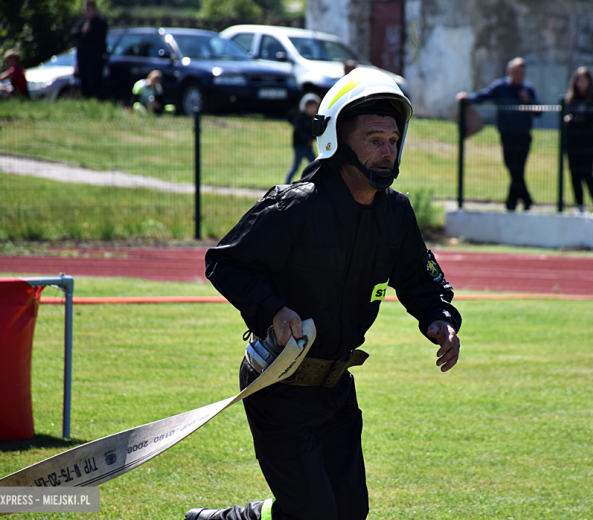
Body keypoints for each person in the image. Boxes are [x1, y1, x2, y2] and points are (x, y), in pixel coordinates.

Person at [193, 68, 462, 520]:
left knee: (349, 511)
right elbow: (224, 262)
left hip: (337, 388)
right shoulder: (295, 205)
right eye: (374, 139)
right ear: (337, 139)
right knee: (315, 513)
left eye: (393, 140)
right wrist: (274, 311)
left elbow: (421, 278)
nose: (387, 151)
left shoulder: (395, 213)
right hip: (276, 382)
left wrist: (440, 319)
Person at [456, 57, 541, 211]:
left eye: (522, 73)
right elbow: (483, 96)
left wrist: (528, 101)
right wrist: (467, 97)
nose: (519, 75)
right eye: (516, 72)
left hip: (523, 136)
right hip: (507, 135)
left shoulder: (527, 89)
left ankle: (513, 204)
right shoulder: (500, 87)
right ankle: (524, 200)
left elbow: (539, 111)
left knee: (518, 169)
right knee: (512, 168)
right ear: (509, 71)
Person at [563, 66, 593, 213]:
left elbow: (592, 119)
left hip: (587, 142)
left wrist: (575, 120)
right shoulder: (570, 99)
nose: (581, 83)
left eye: (584, 80)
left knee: (587, 174)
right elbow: (567, 118)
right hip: (572, 142)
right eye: (578, 80)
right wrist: (575, 120)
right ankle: (580, 205)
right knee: (575, 175)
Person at [71, 0, 107, 99]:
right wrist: (83, 32)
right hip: (83, 57)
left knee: (94, 80)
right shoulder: (83, 22)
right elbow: (74, 33)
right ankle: (86, 98)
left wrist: (88, 32)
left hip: (95, 57)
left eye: (88, 9)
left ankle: (97, 99)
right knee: (84, 79)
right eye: (85, 9)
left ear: (94, 10)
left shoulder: (100, 22)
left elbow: (98, 36)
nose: (86, 11)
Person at [283, 92, 320, 184]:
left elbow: (312, 132)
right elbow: (299, 131)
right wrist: (308, 139)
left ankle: (316, 182)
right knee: (295, 167)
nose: (313, 109)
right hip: (300, 146)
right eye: (311, 107)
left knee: (315, 164)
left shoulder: (311, 119)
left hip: (308, 147)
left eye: (314, 107)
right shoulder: (300, 117)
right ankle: (286, 184)